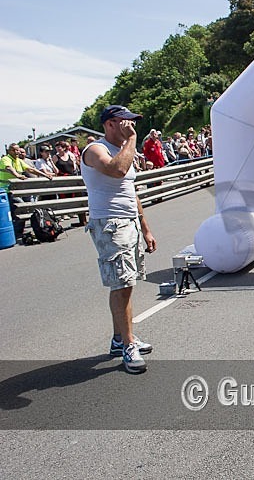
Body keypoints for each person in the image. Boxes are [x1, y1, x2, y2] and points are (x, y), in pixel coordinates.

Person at [81, 105, 156, 373]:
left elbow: (130, 190)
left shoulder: (124, 150)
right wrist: (133, 140)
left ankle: (119, 339)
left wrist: (145, 227)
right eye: (126, 122)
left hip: (129, 222)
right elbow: (117, 171)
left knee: (127, 283)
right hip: (110, 224)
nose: (131, 126)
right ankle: (127, 344)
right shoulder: (95, 150)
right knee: (121, 284)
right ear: (110, 124)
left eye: (133, 123)